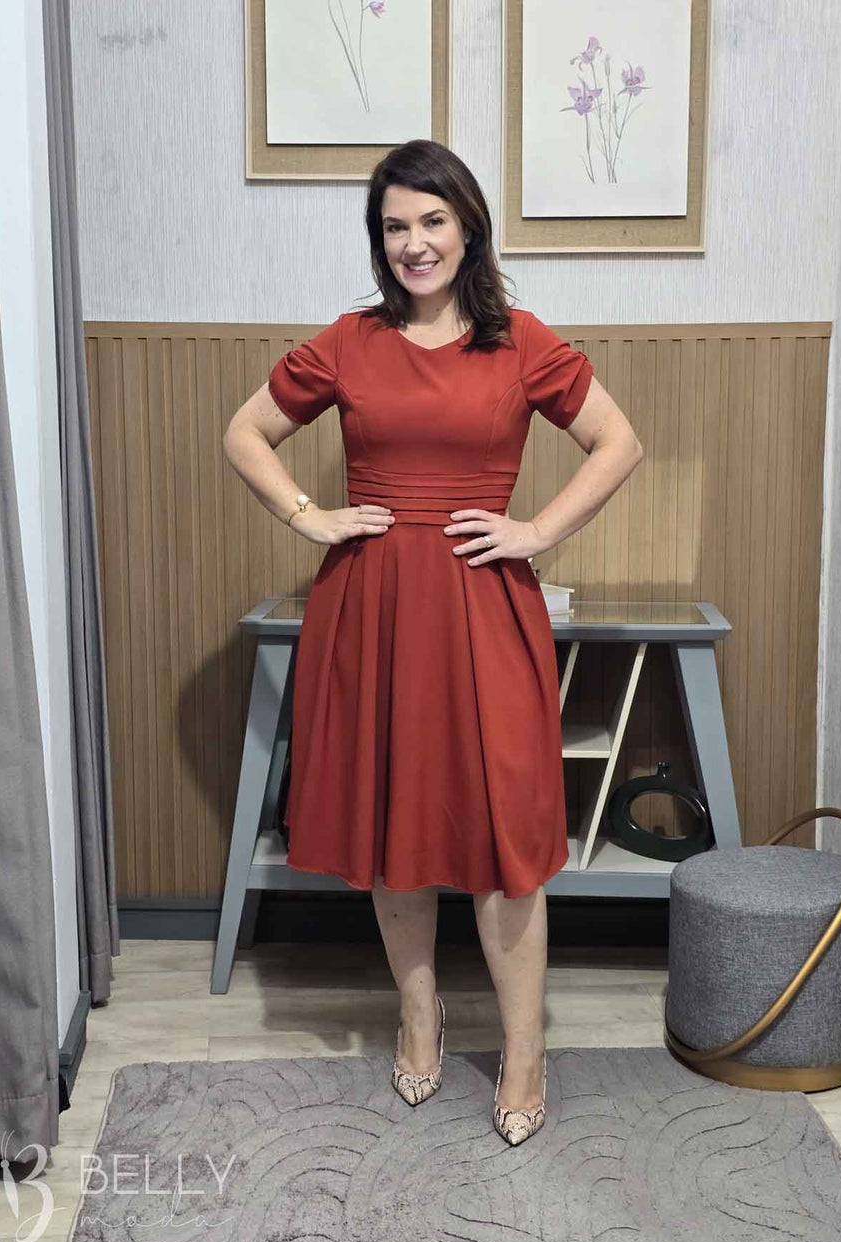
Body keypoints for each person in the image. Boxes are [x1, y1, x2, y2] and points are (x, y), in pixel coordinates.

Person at [223, 138, 643, 1145]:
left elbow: (618, 442)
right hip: (372, 608)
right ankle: (419, 1016)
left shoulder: (521, 342)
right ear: (380, 242)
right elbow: (244, 432)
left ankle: (524, 1048)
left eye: (431, 221)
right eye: (394, 227)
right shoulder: (349, 341)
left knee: (506, 843)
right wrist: (311, 516)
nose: (413, 243)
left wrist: (535, 531)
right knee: (395, 829)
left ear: (468, 229)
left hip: (483, 607)